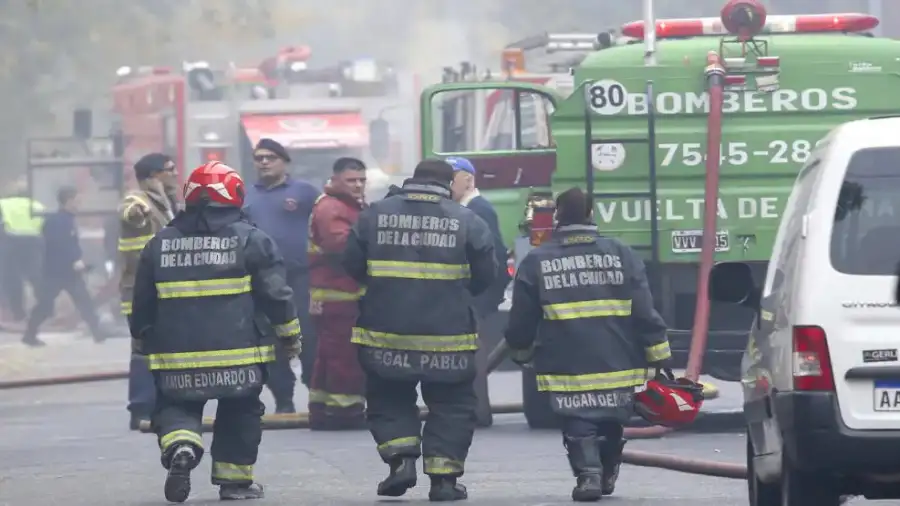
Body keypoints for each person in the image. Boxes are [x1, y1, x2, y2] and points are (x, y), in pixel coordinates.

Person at [130, 161, 302, 503]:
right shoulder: (252, 239)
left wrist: (142, 339)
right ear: (234, 195)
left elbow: (142, 302)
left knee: (177, 406)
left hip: (175, 356)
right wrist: (290, 337)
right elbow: (276, 295)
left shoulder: (159, 244)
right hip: (239, 355)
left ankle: (182, 445)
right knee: (240, 411)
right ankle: (234, 483)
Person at [503, 187, 672, 502]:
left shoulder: (538, 259)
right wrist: (659, 353)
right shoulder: (622, 253)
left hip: (566, 363)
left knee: (578, 420)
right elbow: (644, 309)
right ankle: (605, 471)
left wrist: (521, 350)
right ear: (592, 215)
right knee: (611, 418)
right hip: (619, 360)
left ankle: (588, 475)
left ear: (557, 217)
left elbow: (522, 318)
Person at [342, 159, 497, 501]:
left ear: (413, 179)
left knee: (389, 396)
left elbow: (352, 264)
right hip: (449, 336)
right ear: (448, 183)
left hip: (385, 332)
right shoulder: (468, 220)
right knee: (452, 404)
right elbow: (486, 275)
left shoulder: (374, 215)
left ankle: (400, 463)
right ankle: (444, 482)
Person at [243, 138, 320, 413]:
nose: (264, 162)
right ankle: (283, 400)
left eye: (270, 157)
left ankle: (315, 391)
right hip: (262, 281)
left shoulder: (305, 192)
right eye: (259, 158)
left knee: (309, 337)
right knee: (271, 342)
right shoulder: (246, 195)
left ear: (285, 162)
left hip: (300, 278)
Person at [446, 156, 511, 428]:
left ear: (468, 179)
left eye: (451, 178)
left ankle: (478, 412)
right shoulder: (465, 208)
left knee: (474, 354)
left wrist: (483, 297)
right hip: (473, 296)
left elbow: (493, 255)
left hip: (477, 297)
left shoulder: (478, 209)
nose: (447, 185)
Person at [118, 153, 179, 430]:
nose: (175, 174)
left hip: (164, 291)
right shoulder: (139, 201)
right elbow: (130, 212)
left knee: (166, 347)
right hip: (141, 293)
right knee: (143, 350)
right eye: (170, 170)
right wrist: (136, 214)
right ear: (153, 176)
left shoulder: (166, 204)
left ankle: (163, 405)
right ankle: (141, 409)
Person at [307, 157, 367, 430]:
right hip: (339, 295)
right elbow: (341, 245)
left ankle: (322, 409)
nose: (358, 185)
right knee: (345, 355)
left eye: (361, 180)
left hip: (334, 294)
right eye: (351, 180)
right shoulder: (332, 208)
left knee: (330, 354)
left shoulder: (344, 205)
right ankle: (346, 412)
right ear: (336, 180)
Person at [21, 187, 107, 346]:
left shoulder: (65, 219)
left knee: (84, 301)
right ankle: (29, 334)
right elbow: (58, 245)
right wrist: (74, 262)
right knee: (46, 304)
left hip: (64, 271)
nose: (79, 204)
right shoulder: (58, 221)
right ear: (68, 201)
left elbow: (68, 245)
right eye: (77, 201)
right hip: (57, 272)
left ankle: (98, 333)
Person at [0, 180, 45, 321]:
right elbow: (45, 227)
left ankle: (18, 313)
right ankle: (46, 308)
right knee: (36, 277)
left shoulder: (3, 204)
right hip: (33, 243)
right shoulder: (38, 205)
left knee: (12, 278)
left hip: (10, 242)